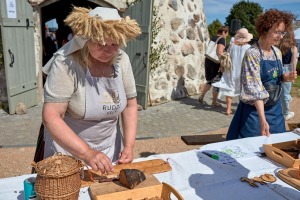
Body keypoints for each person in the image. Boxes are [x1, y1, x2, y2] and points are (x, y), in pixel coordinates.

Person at [41, 6, 141, 174]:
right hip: (69, 153)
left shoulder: (122, 60)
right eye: (101, 44)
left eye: (114, 44)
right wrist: (87, 153)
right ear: (86, 39)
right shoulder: (67, 62)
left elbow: (130, 106)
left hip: (110, 149)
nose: (109, 51)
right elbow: (51, 116)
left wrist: (129, 146)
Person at [226, 9, 297, 140]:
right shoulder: (253, 54)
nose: (281, 36)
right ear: (264, 30)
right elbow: (255, 88)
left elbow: (277, 77)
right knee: (252, 150)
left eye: (282, 32)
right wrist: (262, 120)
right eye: (277, 32)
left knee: (277, 147)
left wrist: (287, 77)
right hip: (254, 113)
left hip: (275, 111)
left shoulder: (277, 52)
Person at [212, 28, 252, 115]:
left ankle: (228, 109)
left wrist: (222, 66)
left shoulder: (232, 47)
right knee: (243, 91)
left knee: (229, 90)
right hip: (243, 72)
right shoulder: (249, 48)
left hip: (231, 71)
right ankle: (241, 109)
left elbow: (227, 57)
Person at [198, 26, 229, 106]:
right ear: (223, 32)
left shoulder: (213, 38)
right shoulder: (222, 39)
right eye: (227, 33)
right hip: (215, 62)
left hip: (208, 60)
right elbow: (219, 52)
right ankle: (214, 102)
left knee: (209, 80)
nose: (227, 35)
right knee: (216, 82)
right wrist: (222, 65)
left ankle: (202, 96)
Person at [278, 29, 298, 121]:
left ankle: (279, 110)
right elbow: (293, 63)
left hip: (277, 68)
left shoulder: (278, 45)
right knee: (286, 93)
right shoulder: (293, 48)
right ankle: (286, 113)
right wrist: (293, 75)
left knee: (278, 91)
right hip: (287, 69)